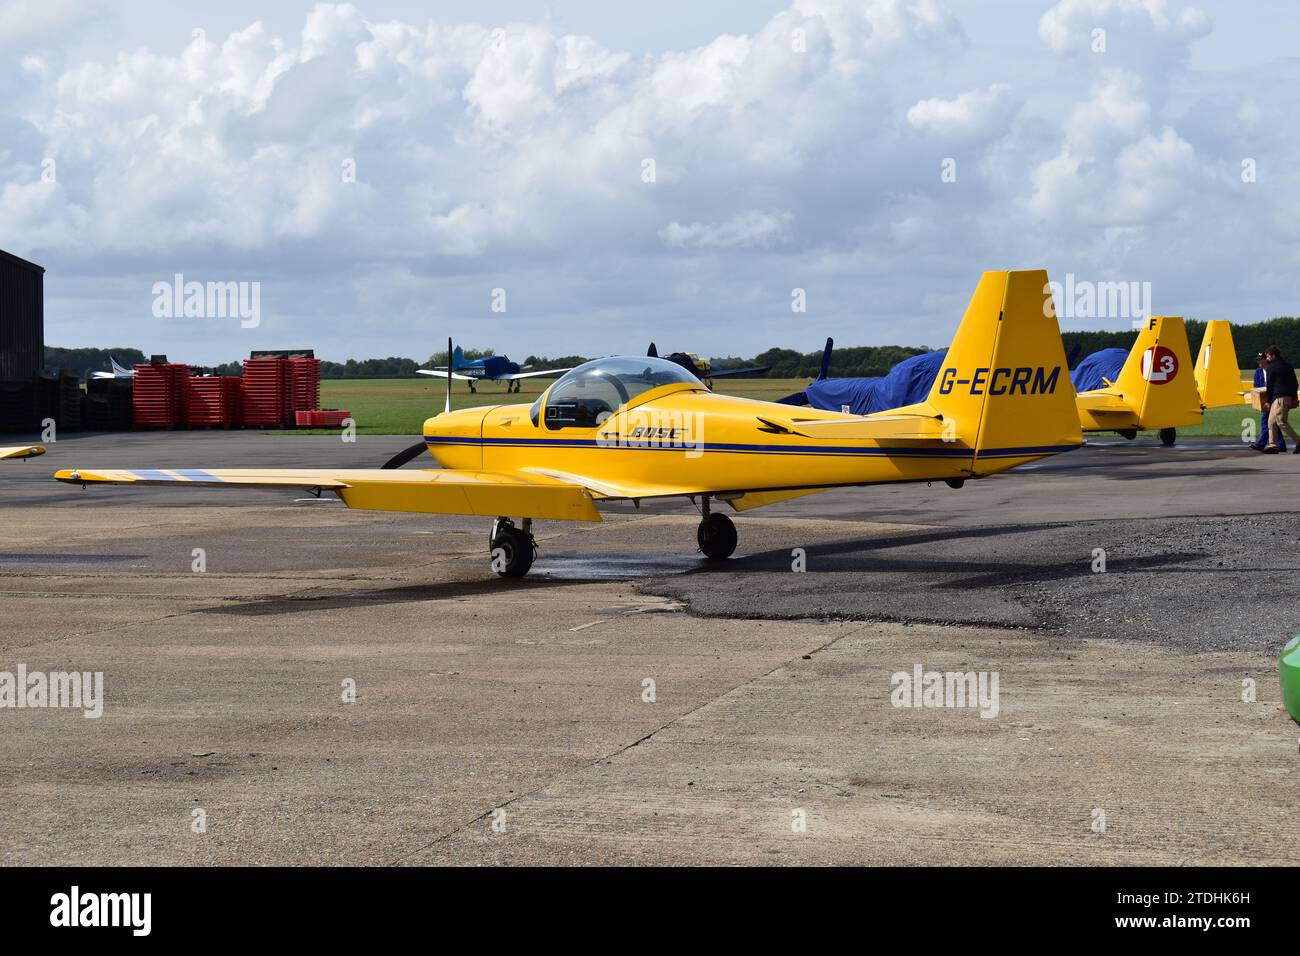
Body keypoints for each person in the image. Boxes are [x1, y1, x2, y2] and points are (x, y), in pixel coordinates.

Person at [1261, 346, 1300, 454]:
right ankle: (1273, 445)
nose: (1267, 358)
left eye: (1268, 356)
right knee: (1271, 422)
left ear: (1273, 355)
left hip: (1279, 399)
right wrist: (1294, 398)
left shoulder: (1271, 367)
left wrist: (1268, 401)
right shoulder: (1288, 366)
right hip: (1286, 398)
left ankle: (1299, 442)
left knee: (1281, 422)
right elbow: (1295, 384)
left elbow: (1270, 386)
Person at [1250, 352, 1285, 451]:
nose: (1259, 362)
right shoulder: (1258, 372)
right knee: (1274, 423)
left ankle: (1261, 443)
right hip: (1264, 400)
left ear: (1266, 359)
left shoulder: (1273, 369)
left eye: (1261, 359)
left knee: (1266, 421)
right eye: (1258, 360)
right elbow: (1256, 386)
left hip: (1274, 399)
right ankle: (1281, 445)